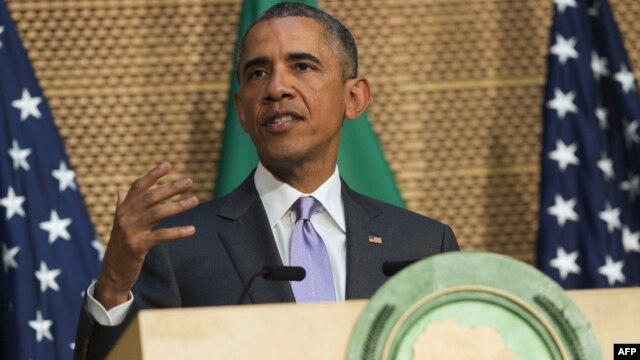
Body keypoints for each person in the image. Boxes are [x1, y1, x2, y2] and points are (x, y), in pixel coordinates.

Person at [73, 3, 459, 359]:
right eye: (258, 73)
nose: (276, 88)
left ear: (354, 97)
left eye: (302, 66)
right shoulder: (176, 246)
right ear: (242, 111)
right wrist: (113, 286)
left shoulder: (424, 246)